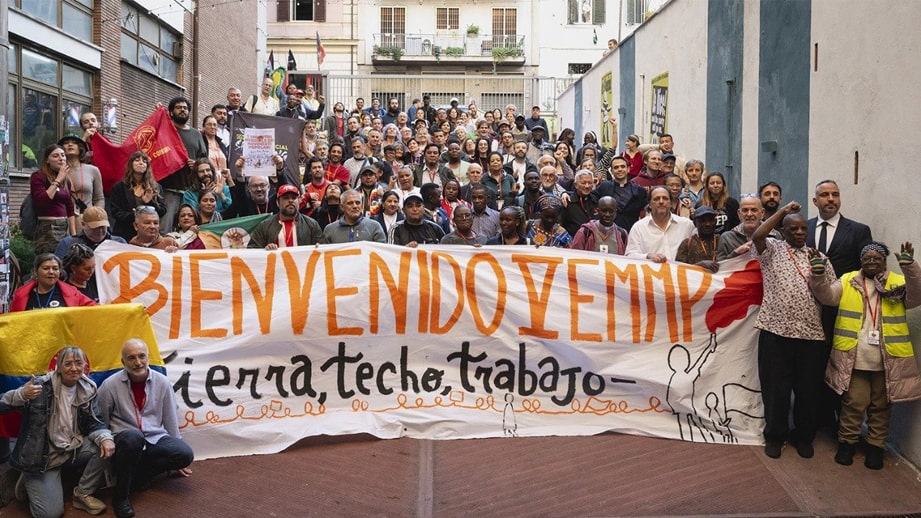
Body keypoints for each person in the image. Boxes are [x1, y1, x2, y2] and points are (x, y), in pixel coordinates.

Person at [810, 242, 921, 470]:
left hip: (888, 360)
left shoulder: (897, 282)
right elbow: (827, 296)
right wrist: (818, 273)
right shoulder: (848, 280)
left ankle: (875, 447)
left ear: (884, 261)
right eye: (867, 258)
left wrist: (910, 267)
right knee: (853, 404)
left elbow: (916, 296)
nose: (871, 261)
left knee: (881, 406)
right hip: (854, 358)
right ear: (861, 261)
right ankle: (847, 444)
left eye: (876, 258)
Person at [751, 200, 836, 460]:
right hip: (776, 332)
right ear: (783, 232)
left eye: (802, 229)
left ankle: (804, 436)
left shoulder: (820, 258)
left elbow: (831, 296)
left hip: (811, 335)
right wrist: (783, 211)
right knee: (776, 389)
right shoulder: (772, 249)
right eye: (793, 229)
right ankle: (775, 436)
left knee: (808, 390)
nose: (799, 233)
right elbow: (757, 235)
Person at [0, 347, 114, 517]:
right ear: (58, 367)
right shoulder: (40, 386)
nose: (74, 368)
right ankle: (27, 476)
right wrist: (21, 394)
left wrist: (105, 438)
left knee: (106, 445)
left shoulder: (88, 389)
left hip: (72, 449)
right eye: (68, 364)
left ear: (84, 366)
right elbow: (2, 405)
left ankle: (82, 493)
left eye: (78, 363)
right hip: (43, 458)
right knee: (50, 514)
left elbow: (94, 421)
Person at [97, 339, 194, 518]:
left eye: (142, 356)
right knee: (133, 437)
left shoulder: (163, 382)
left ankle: (140, 475)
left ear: (148, 357)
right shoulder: (110, 385)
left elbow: (170, 417)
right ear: (123, 362)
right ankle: (121, 497)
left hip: (153, 437)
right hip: (125, 440)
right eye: (131, 358)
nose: (138, 362)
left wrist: (177, 451)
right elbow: (101, 418)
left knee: (185, 454)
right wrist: (106, 441)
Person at [624, 186, 695, 262]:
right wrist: (647, 256)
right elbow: (630, 255)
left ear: (671, 203)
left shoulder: (687, 225)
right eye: (656, 199)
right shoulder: (639, 227)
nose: (661, 202)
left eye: (665, 198)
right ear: (649, 204)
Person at [109, 151, 167, 240]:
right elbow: (115, 212)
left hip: (149, 236)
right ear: (130, 164)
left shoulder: (155, 187)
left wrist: (150, 202)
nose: (141, 163)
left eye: (144, 161)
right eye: (137, 160)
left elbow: (162, 211)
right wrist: (135, 215)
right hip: (125, 234)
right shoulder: (119, 187)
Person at [30, 145, 76, 254]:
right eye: (55, 156)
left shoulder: (66, 180)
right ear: (47, 160)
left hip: (64, 226)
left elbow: (70, 208)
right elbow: (41, 200)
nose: (61, 158)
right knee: (50, 258)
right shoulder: (39, 176)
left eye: (63, 155)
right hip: (48, 228)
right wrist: (58, 180)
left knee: (65, 258)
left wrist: (73, 235)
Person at [10, 254, 97, 311]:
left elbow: (95, 310)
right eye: (46, 268)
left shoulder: (72, 293)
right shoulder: (20, 296)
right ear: (36, 271)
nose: (51, 272)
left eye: (55, 269)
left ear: (60, 272)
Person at [249, 185, 322, 249]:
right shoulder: (264, 226)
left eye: (294, 198)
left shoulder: (311, 224)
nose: (290, 201)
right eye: (286, 198)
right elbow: (252, 250)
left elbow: (323, 249)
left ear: (299, 201)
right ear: (278, 203)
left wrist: (320, 247)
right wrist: (265, 250)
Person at [59, 134, 104, 231]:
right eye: (66, 143)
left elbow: (99, 198)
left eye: (74, 143)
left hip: (88, 219)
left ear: (80, 148)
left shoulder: (93, 170)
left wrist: (97, 215)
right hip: (63, 219)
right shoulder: (56, 170)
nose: (70, 145)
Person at [592, 155, 647, 231]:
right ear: (611, 171)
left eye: (622, 167)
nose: (620, 169)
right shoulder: (604, 187)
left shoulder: (639, 191)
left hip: (631, 231)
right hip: (607, 231)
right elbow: (590, 199)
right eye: (616, 167)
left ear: (628, 169)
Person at [717, 195, 778, 261]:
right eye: (745, 210)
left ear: (762, 213)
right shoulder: (727, 238)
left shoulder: (775, 236)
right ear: (739, 214)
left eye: (754, 210)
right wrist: (735, 253)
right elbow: (720, 265)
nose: (749, 214)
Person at [54, 207, 127, 258]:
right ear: (83, 224)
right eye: (95, 228)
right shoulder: (67, 244)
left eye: (103, 227)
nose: (100, 231)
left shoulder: (119, 243)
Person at [320, 190, 386, 244]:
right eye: (350, 203)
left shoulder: (374, 227)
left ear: (361, 206)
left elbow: (382, 252)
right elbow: (323, 253)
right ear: (342, 207)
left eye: (358, 203)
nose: (355, 206)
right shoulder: (330, 229)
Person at [674, 206, 720, 272]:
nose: (708, 224)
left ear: (715, 222)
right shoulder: (687, 244)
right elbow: (679, 270)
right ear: (695, 223)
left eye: (711, 220)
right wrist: (699, 265)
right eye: (703, 221)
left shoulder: (721, 240)